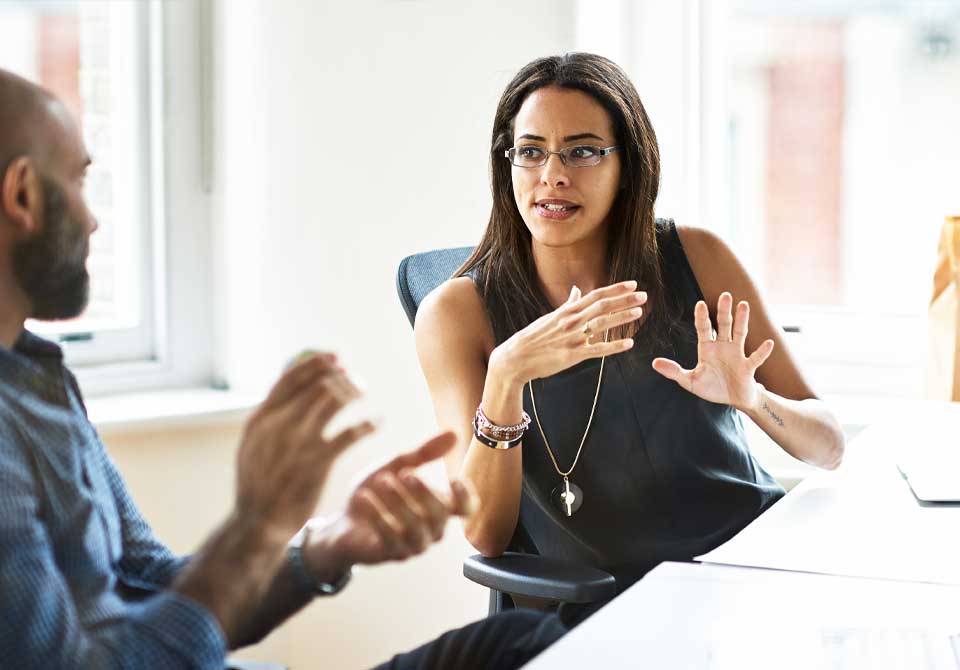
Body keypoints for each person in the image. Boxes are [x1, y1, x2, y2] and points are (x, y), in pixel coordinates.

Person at [0, 69, 567, 669]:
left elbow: (157, 594)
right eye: (79, 182)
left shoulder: (38, 376)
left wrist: (326, 545)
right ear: (23, 196)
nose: (93, 221)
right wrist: (258, 521)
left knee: (529, 645)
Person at [415, 52, 847, 622]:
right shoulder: (457, 313)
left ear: (630, 163)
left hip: (748, 580)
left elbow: (830, 447)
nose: (553, 175)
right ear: (508, 164)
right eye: (531, 151)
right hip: (605, 610)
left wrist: (755, 401)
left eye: (584, 150)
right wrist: (506, 377)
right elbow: (485, 535)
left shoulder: (698, 256)